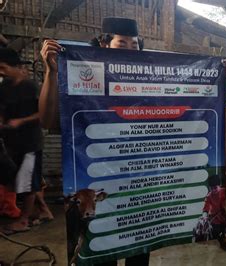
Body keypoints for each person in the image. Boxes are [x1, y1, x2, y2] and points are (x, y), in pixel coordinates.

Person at [40, 17, 150, 266]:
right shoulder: (82, 76)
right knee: (100, 252)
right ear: (104, 44)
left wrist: (215, 78)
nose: (130, 52)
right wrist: (51, 71)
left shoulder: (147, 81)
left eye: (136, 46)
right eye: (122, 45)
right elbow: (47, 121)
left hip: (137, 188)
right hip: (97, 183)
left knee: (139, 254)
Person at [0, 47, 54, 234]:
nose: (2, 71)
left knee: (28, 182)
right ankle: (45, 211)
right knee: (23, 180)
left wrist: (20, 121)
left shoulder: (30, 87)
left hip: (30, 142)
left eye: (4, 67)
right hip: (11, 143)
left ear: (16, 67)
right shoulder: (4, 87)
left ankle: (23, 221)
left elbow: (43, 114)